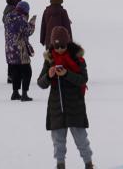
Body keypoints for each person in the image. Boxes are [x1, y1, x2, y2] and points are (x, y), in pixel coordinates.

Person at [37, 25, 94, 169]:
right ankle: (60, 164)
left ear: (67, 43)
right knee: (58, 141)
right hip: (56, 107)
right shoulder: (49, 59)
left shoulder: (77, 58)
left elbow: (83, 79)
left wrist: (66, 74)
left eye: (62, 46)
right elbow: (41, 83)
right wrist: (48, 76)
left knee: (81, 139)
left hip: (75, 105)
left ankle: (88, 163)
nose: (60, 49)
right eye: (56, 46)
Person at [4, 0, 37, 101]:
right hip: (20, 49)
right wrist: (32, 23)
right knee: (27, 71)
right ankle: (24, 94)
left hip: (9, 48)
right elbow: (28, 32)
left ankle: (15, 93)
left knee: (15, 70)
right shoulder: (21, 19)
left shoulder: (8, 17)